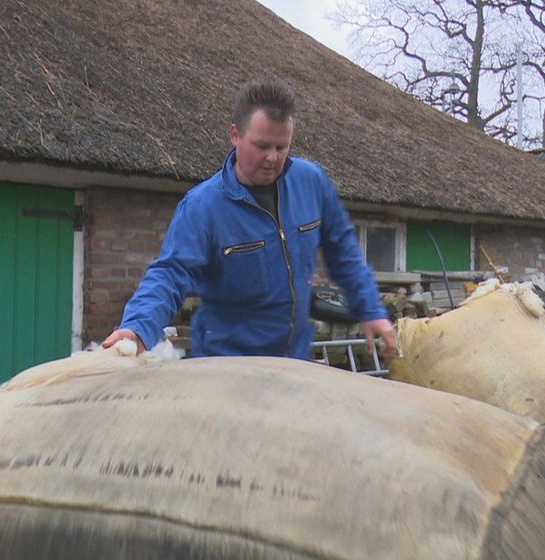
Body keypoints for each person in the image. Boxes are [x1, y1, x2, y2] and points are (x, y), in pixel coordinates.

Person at [102, 80, 396, 360]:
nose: (272, 157)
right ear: (235, 135)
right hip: (228, 366)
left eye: (282, 147)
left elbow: (343, 250)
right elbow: (170, 273)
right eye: (262, 145)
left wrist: (370, 309)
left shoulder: (311, 182)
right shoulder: (202, 207)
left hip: (293, 361)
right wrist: (138, 327)